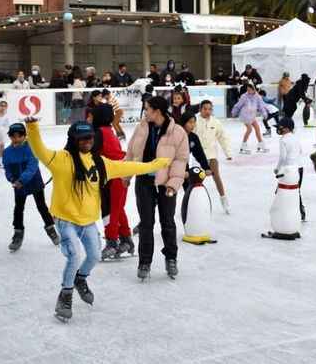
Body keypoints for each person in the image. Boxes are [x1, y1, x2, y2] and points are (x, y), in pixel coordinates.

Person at [25, 116, 169, 321]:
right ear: (73, 140)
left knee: (93, 256)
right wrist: (32, 127)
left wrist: (155, 164)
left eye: (89, 138)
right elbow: (39, 149)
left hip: (88, 222)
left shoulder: (100, 163)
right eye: (82, 138)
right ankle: (65, 295)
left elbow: (128, 167)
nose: (87, 142)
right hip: (65, 221)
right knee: (74, 256)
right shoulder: (61, 160)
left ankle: (80, 279)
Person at [126, 96, 189, 281]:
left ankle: (171, 258)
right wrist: (126, 176)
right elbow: (131, 152)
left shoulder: (177, 132)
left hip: (166, 183)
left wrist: (173, 185)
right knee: (146, 223)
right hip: (144, 181)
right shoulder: (142, 127)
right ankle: (144, 262)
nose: (145, 112)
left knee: (167, 222)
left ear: (157, 111)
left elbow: (180, 160)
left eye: (147, 109)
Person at [2, 122, 59, 252]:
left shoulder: (31, 148)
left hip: (34, 182)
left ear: (24, 135)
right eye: (13, 136)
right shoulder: (7, 152)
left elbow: (32, 166)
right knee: (18, 209)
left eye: (19, 136)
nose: (16, 139)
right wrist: (12, 179)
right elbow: (7, 169)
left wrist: (22, 180)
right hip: (19, 185)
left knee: (42, 206)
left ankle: (51, 229)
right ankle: (18, 233)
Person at [91, 104, 134, 260]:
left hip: (116, 174)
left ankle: (112, 242)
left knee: (112, 209)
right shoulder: (106, 130)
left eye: (93, 116)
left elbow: (89, 152)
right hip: (117, 172)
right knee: (117, 208)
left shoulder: (100, 132)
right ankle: (126, 239)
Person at [195, 100, 233, 214]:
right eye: (205, 109)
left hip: (212, 155)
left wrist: (228, 153)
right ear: (200, 109)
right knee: (197, 180)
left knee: (217, 178)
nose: (207, 111)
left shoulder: (215, 122)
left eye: (210, 109)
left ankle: (224, 201)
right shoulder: (195, 120)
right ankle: (194, 203)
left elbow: (223, 137)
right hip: (198, 156)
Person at [275, 117, 306, 221]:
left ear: (287, 128)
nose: (278, 129)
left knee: (281, 190)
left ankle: (282, 212)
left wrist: (278, 168)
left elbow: (283, 157)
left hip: (289, 169)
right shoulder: (295, 138)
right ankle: (301, 212)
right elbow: (301, 151)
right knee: (296, 190)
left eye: (280, 127)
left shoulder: (283, 139)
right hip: (299, 168)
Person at [231, 82, 269, 154]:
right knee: (249, 129)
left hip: (252, 116)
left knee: (257, 128)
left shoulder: (257, 97)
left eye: (249, 89)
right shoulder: (244, 96)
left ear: (253, 89)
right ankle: (243, 146)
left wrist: (264, 113)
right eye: (247, 89)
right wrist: (234, 111)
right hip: (245, 115)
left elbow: (261, 106)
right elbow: (238, 105)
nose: (248, 91)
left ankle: (260, 144)